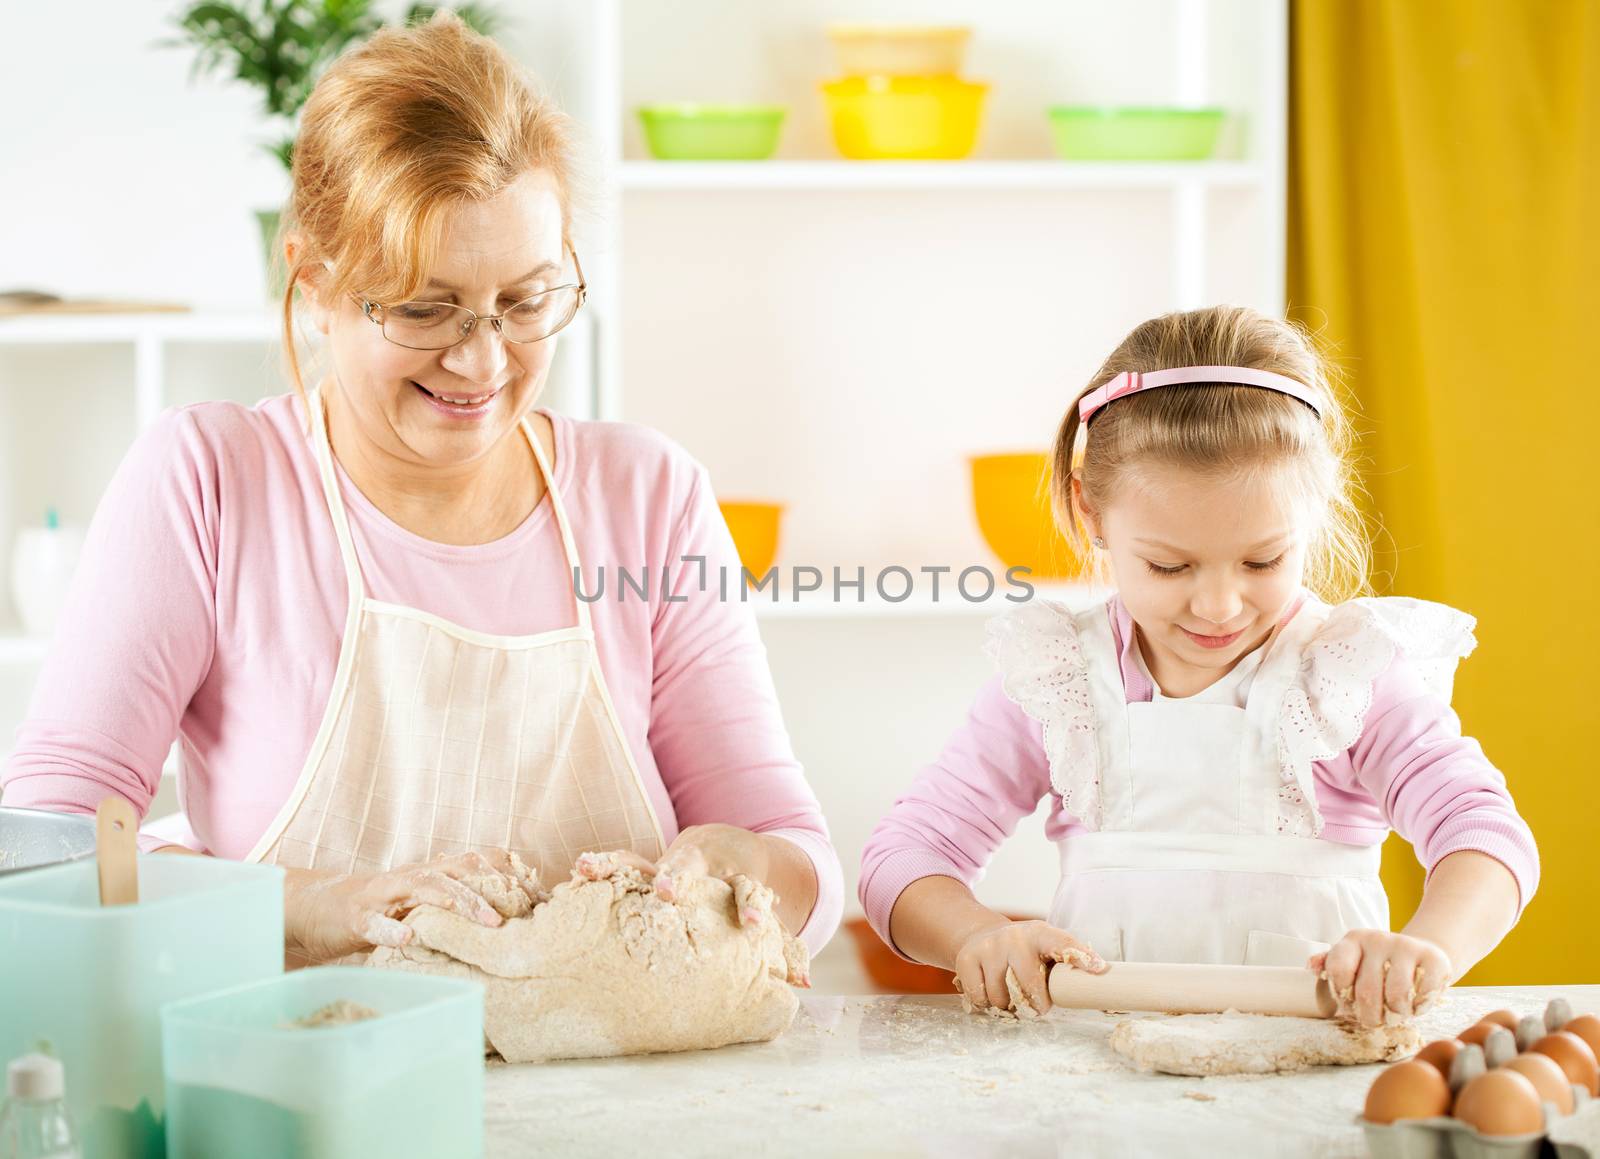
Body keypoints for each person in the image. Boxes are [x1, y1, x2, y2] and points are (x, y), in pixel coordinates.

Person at [2, 15, 840, 968]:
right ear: (315, 284)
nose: (482, 359)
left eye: (526, 300)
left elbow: (800, 852)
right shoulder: (213, 484)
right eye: (424, 307)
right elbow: (45, 851)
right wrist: (321, 905)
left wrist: (753, 867)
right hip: (305, 1084)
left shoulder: (648, 498)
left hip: (625, 1102)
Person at [860, 305, 1536, 1026]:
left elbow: (1485, 834)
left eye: (1263, 559)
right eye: (1169, 564)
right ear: (1091, 512)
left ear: (1314, 515)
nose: (1218, 605)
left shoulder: (1346, 675)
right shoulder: (1058, 678)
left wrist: (1426, 947)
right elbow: (902, 857)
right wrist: (978, 936)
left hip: (1305, 1097)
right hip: (1096, 1093)